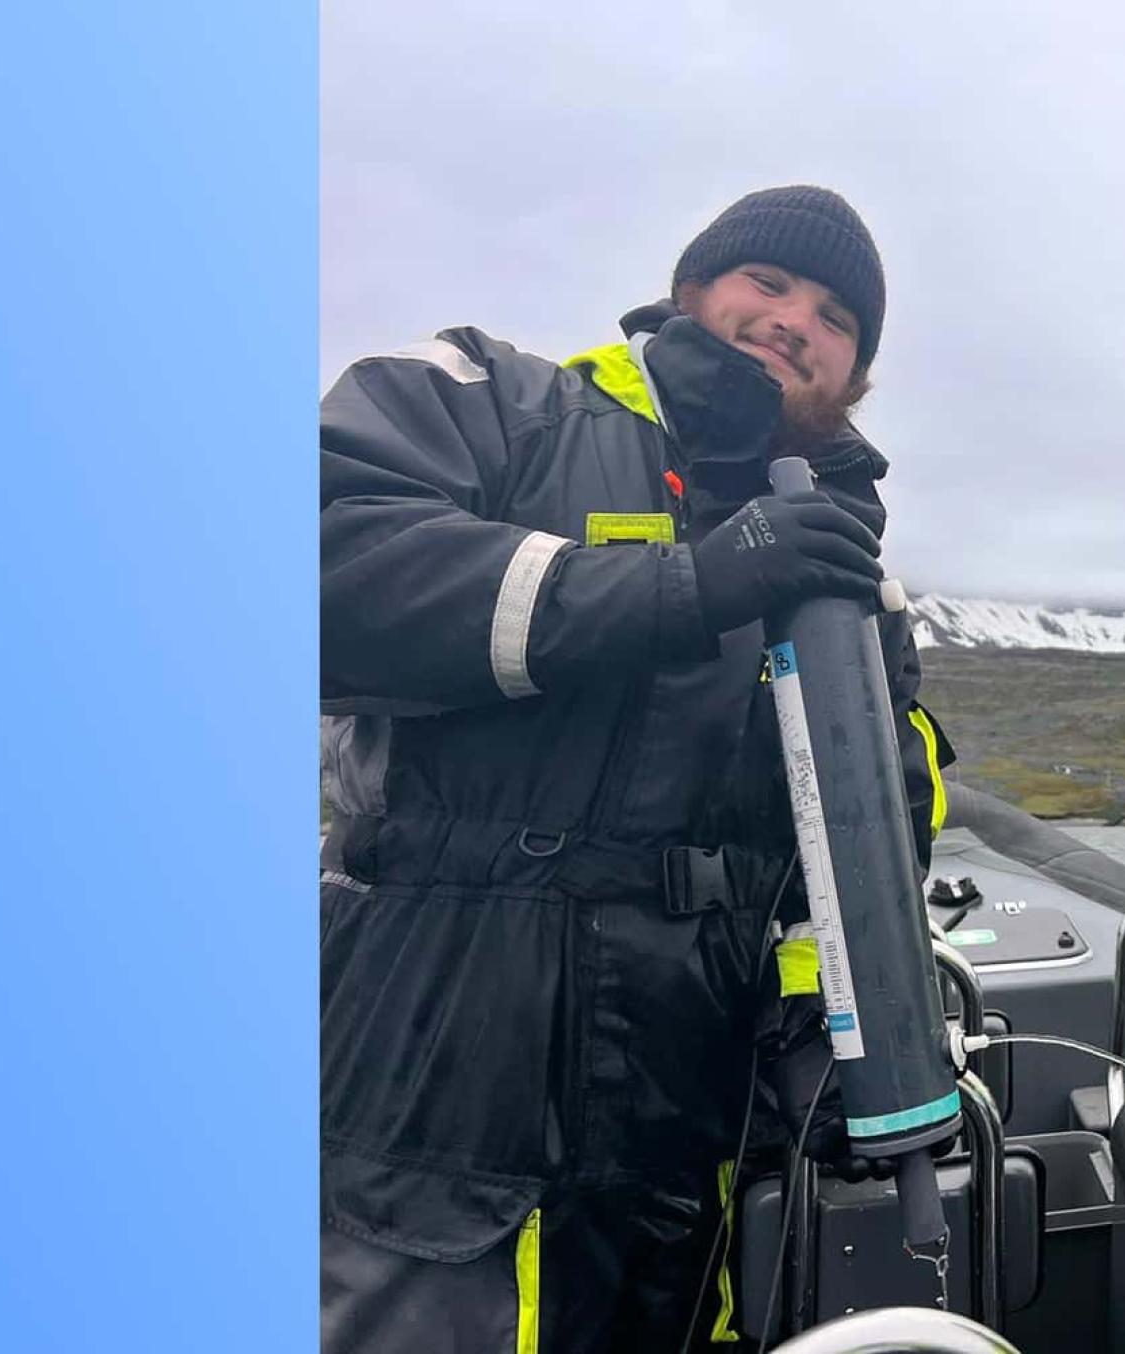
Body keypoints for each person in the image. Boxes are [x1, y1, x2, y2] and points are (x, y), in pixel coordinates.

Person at [319, 186, 954, 1354]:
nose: (794, 321)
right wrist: (685, 588)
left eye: (834, 317)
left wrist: (820, 1005)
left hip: (681, 1101)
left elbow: (873, 821)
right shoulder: (495, 402)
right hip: (434, 1070)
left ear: (853, 372)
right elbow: (321, 571)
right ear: (688, 290)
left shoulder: (846, 564)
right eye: (766, 283)